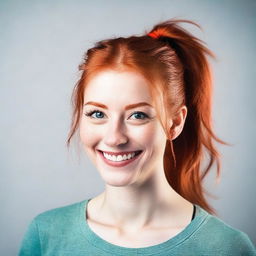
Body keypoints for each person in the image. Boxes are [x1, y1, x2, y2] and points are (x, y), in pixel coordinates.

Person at [19, 19, 255, 256]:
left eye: (138, 115)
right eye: (98, 113)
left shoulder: (226, 247)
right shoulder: (46, 234)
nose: (114, 138)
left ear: (175, 122)